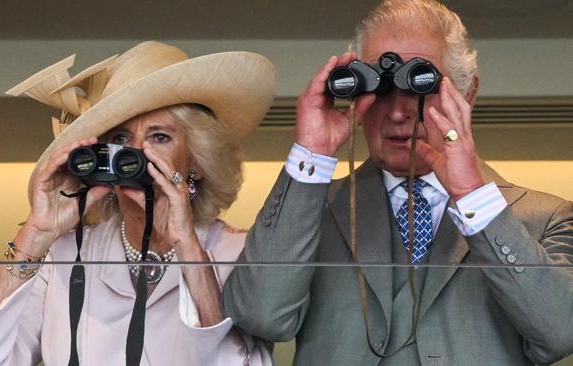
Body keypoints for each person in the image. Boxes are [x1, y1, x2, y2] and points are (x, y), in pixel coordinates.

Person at [222, 1, 573, 365]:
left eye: (420, 86)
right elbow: (259, 315)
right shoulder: (312, 209)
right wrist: (313, 153)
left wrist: (474, 198)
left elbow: (560, 331)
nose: (397, 112)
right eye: (382, 88)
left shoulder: (545, 217)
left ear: (467, 94)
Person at [0, 41, 276, 365]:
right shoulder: (66, 255)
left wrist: (186, 244)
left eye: (160, 137)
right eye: (121, 139)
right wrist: (37, 235)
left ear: (198, 163)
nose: (138, 154)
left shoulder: (239, 254)